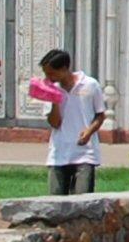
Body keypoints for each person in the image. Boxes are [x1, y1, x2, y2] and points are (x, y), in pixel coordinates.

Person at [39, 48, 105, 196]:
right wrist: (55, 99)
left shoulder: (90, 85)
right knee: (55, 204)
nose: (48, 78)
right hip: (59, 153)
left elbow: (100, 115)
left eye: (51, 73)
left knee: (82, 202)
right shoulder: (51, 89)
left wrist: (89, 131)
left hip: (85, 153)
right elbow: (55, 123)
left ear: (63, 69)